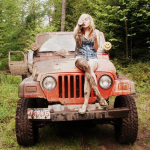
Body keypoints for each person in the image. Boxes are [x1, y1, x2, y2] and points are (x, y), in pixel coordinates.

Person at [74, 14, 107, 114]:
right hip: (80, 57)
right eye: (82, 20)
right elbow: (78, 44)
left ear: (90, 21)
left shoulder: (96, 32)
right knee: (87, 67)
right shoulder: (78, 33)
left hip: (93, 58)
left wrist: (96, 39)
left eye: (86, 19)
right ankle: (99, 96)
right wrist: (79, 28)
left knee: (89, 70)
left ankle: (85, 104)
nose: (84, 21)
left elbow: (96, 49)